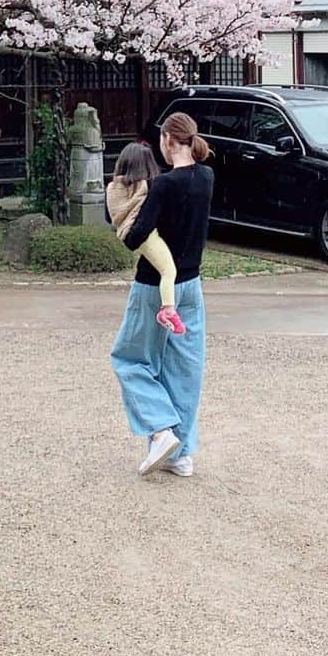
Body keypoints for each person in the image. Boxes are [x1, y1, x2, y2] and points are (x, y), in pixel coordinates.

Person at [110, 111, 213, 478]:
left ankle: (160, 430)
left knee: (130, 359)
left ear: (169, 140)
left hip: (153, 287)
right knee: (185, 370)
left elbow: (136, 235)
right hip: (192, 286)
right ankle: (181, 455)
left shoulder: (164, 186)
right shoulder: (206, 176)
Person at [106, 143, 186, 335]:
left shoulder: (113, 187)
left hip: (126, 234)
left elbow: (110, 216)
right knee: (168, 270)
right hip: (146, 236)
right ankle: (168, 310)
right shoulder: (146, 186)